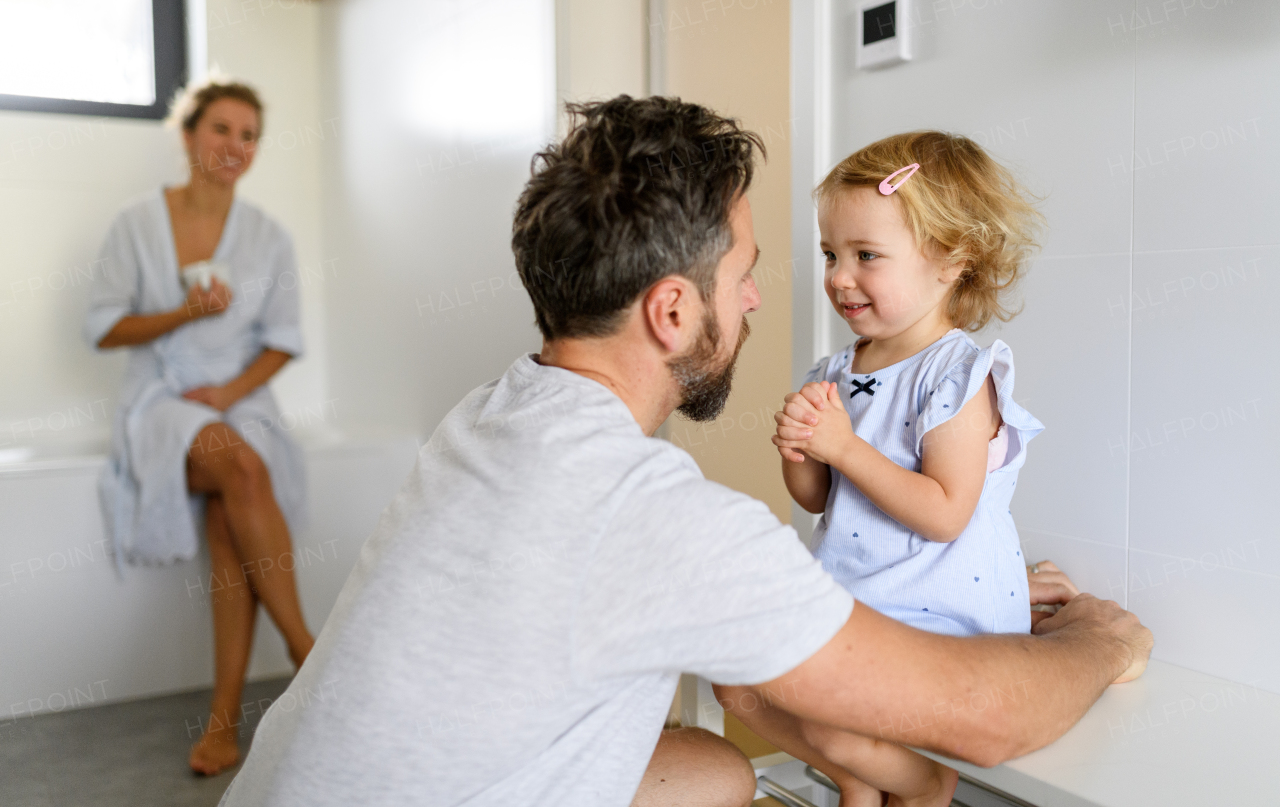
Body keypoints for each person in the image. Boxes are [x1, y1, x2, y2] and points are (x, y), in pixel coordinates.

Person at [216, 96, 1151, 807]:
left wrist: (965, 583)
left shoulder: (492, 415)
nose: (757, 301)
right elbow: (984, 720)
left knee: (711, 772)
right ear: (671, 310)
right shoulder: (655, 513)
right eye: (743, 276)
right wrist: (1099, 639)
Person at [763, 132, 1054, 806]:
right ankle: (865, 789)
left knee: (844, 733)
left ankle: (923, 788)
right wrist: (800, 450)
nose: (839, 276)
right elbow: (817, 499)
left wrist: (844, 447)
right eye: (831, 253)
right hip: (862, 600)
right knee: (816, 722)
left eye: (866, 255)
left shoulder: (956, 372)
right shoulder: (836, 369)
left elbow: (946, 510)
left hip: (938, 613)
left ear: (951, 261)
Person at [84, 80, 315, 776]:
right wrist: (185, 313)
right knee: (241, 467)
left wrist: (230, 390)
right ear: (187, 136)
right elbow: (103, 327)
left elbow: (282, 340)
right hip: (160, 400)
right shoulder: (134, 223)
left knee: (228, 511)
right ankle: (307, 650)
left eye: (249, 135)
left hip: (239, 400)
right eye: (222, 129)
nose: (235, 146)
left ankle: (222, 725)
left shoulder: (269, 236)